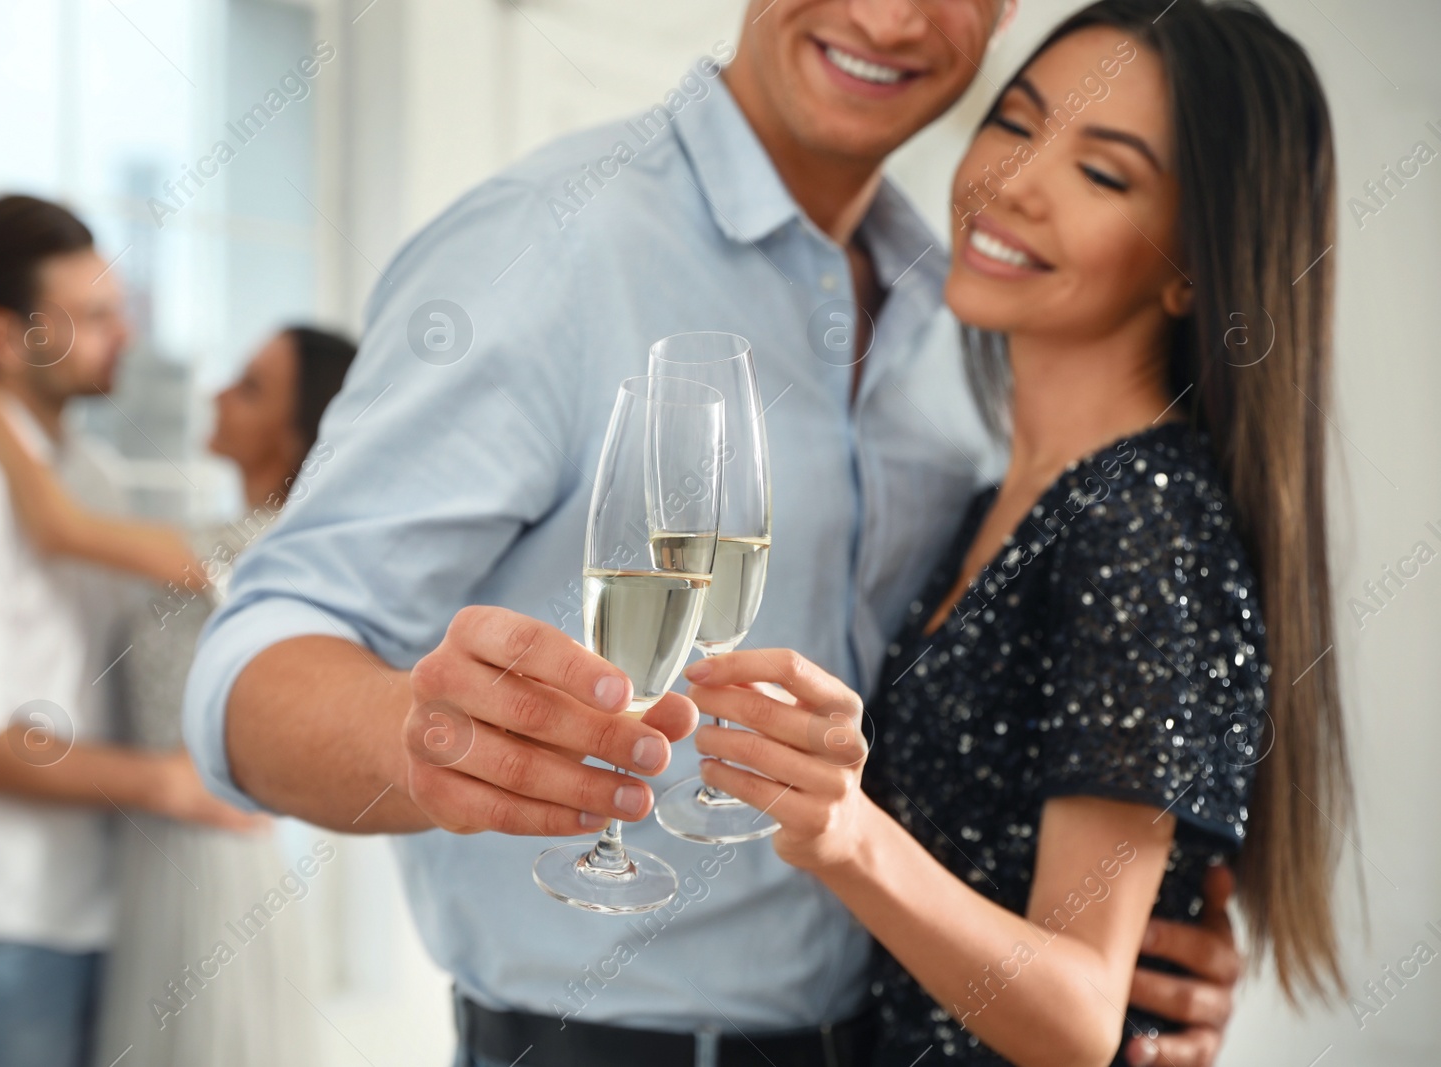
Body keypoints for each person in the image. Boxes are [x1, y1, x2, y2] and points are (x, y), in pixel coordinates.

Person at [184, 3, 1242, 1065]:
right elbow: (248, 662)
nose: (885, 15)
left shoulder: (969, 307)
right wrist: (422, 743)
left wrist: (1132, 942)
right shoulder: (544, 240)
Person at [679, 1, 1351, 1063]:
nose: (1014, 182)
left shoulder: (1142, 520)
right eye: (1016, 123)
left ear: (1195, 265)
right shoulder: (999, 489)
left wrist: (845, 830)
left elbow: (1083, 1014)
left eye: (1103, 173)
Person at [0, 194, 254, 1067]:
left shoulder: (90, 476)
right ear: (7, 337)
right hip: (0, 926)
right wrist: (166, 783)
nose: (126, 333)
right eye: (92, 316)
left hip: (102, 911)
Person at [0, 323, 358, 1067]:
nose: (214, 393)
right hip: (153, 849)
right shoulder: (214, 538)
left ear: (294, 430)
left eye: (248, 387)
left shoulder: (265, 548)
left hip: (209, 855)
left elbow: (59, 527)